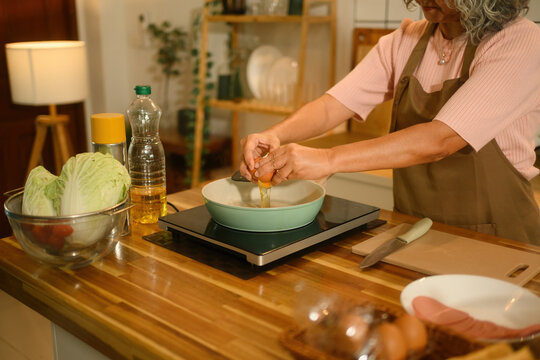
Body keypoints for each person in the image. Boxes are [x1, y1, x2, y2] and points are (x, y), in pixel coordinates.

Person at [240, 0, 540, 244]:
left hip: (500, 242)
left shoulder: (519, 41)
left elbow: (441, 140)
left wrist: (328, 159)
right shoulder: (406, 40)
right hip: (415, 232)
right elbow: (334, 106)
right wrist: (272, 134)